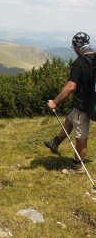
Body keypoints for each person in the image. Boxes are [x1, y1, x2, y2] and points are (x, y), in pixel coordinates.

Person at [44, 32, 95, 174]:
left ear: (78, 46)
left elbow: (71, 86)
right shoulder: (94, 58)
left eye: (74, 46)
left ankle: (78, 166)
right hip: (90, 104)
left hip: (83, 106)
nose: (73, 49)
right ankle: (56, 142)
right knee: (69, 120)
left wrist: (54, 102)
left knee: (81, 138)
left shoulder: (80, 62)